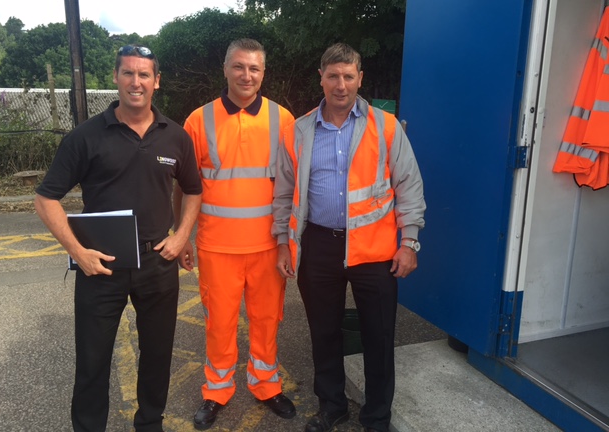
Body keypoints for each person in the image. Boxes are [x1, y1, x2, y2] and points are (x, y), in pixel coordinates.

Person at [35, 45, 203, 432]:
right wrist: (78, 252)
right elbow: (46, 199)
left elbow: (194, 190)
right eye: (128, 73)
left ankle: (149, 423)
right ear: (115, 78)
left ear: (156, 82)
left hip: (157, 265)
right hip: (101, 267)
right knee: (93, 361)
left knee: (158, 355)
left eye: (144, 75)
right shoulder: (86, 137)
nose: (136, 82)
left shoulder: (175, 137)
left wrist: (181, 236)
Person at [272, 43, 426, 432]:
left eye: (348, 76)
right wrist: (282, 243)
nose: (341, 85)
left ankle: (376, 416)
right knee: (323, 332)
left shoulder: (385, 125)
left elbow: (409, 184)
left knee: (378, 335)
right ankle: (332, 406)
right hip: (319, 245)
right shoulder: (300, 130)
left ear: (360, 78)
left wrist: (409, 242)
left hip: (375, 249)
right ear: (320, 78)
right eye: (333, 76)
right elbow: (284, 192)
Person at [174, 38, 296, 430]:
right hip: (216, 247)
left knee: (266, 320)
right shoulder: (198, 121)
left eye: (254, 68)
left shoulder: (283, 120)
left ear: (263, 74)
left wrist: (288, 242)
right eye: (239, 67)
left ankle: (266, 385)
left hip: (267, 247)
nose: (247, 75)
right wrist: (183, 235)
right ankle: (217, 392)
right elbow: (185, 185)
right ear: (225, 69)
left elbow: (292, 187)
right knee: (219, 323)